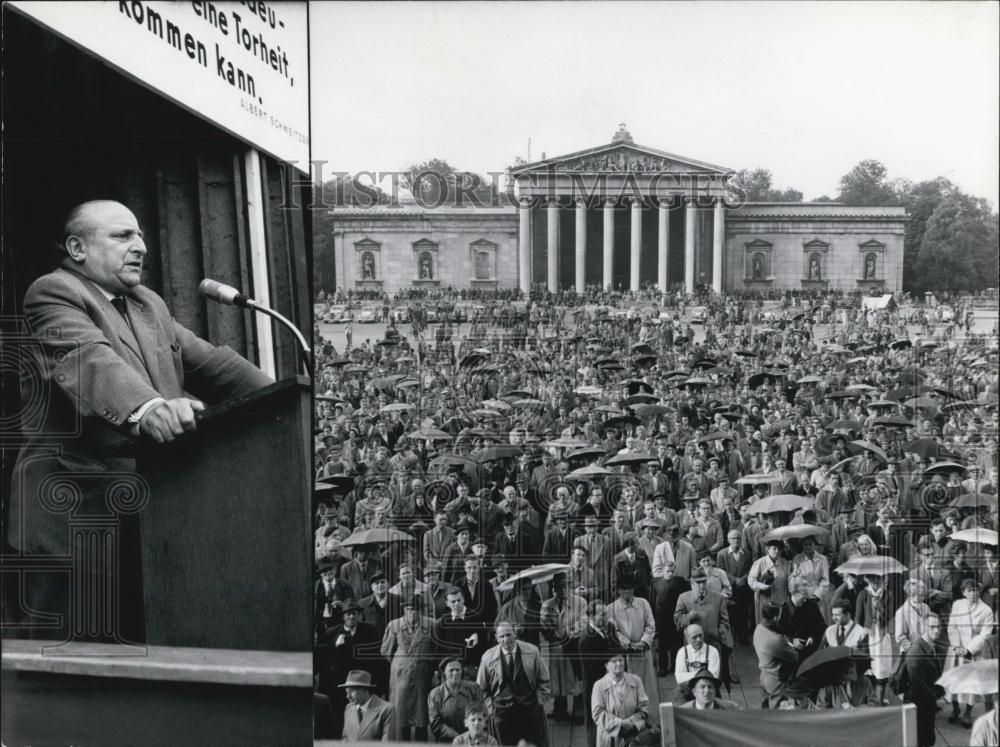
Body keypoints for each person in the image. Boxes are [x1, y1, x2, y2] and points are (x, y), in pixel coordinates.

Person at [10, 200, 273, 642]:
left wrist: (287, 399)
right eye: (123, 236)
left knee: (140, 681)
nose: (142, 247)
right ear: (77, 247)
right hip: (71, 530)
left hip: (149, 528)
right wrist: (149, 409)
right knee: (64, 684)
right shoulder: (52, 293)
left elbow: (216, 368)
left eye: (141, 236)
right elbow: (89, 360)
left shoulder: (147, 304)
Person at [476, 620, 550, 747]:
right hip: (501, 712)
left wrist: (539, 701)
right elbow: (482, 688)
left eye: (509, 635)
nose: (506, 639)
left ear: (515, 633)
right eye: (502, 636)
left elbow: (544, 680)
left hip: (529, 710)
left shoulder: (532, 652)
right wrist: (491, 708)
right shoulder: (488, 658)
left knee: (533, 744)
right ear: (496, 638)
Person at [380, 596, 435, 741]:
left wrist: (422, 664)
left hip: (422, 676)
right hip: (401, 675)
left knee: (421, 715)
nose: (413, 613)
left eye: (416, 609)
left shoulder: (431, 625)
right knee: (400, 713)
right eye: (410, 609)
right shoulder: (394, 626)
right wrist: (401, 663)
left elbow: (436, 650)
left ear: (421, 610)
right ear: (404, 609)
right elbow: (386, 651)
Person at [944, 579, 995, 727]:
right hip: (956, 649)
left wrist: (968, 649)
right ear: (963, 592)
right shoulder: (957, 605)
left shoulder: (986, 610)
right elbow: (952, 626)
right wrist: (957, 645)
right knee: (954, 683)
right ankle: (955, 710)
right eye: (969, 590)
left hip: (974, 651)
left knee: (972, 685)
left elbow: (985, 634)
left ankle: (967, 713)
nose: (973, 593)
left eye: (975, 590)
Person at [607, 577, 659, 706]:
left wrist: (643, 642)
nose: (627, 592)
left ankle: (647, 714)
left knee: (646, 684)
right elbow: (614, 631)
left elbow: (650, 625)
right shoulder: (611, 608)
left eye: (629, 589)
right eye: (623, 590)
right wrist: (629, 644)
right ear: (618, 591)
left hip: (643, 651)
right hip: (626, 653)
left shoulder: (643, 603)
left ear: (633, 589)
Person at [902, 614, 947, 747]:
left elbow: (934, 676)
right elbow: (918, 685)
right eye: (932, 627)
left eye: (938, 627)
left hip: (926, 703)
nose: (936, 630)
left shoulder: (931, 646)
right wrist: (936, 700)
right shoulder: (916, 651)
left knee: (928, 738)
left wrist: (941, 693)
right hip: (917, 704)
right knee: (921, 740)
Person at [590, 653, 650, 747]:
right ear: (606, 665)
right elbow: (597, 714)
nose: (619, 663)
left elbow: (645, 707)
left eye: (621, 660)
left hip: (634, 736)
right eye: (614, 661)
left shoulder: (636, 680)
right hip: (609, 739)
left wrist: (632, 721)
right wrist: (620, 723)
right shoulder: (599, 686)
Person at [427, 657, 485, 744]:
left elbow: (482, 714)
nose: (455, 673)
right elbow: (435, 724)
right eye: (451, 670)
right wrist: (457, 737)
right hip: (446, 742)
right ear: (444, 673)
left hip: (472, 740)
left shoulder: (474, 689)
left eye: (458, 670)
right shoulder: (435, 694)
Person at [754, 601, 799, 709]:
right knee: (777, 712)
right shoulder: (776, 639)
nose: (781, 617)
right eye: (780, 614)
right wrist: (792, 645)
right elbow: (795, 656)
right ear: (775, 618)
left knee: (765, 709)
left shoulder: (759, 628)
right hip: (777, 681)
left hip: (764, 676)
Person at [649, 560, 690, 676]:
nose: (670, 574)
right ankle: (662, 667)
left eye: (672, 571)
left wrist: (684, 615)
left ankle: (675, 666)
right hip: (661, 618)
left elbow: (686, 598)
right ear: (662, 571)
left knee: (676, 643)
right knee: (662, 644)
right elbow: (652, 600)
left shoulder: (680, 581)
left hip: (676, 617)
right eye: (668, 571)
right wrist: (653, 617)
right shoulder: (655, 582)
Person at [339, 669, 396, 742]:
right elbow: (345, 739)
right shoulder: (349, 708)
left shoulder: (387, 710)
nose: (348, 696)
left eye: (352, 691)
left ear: (365, 689)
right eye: (346, 692)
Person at [749, 538, 791, 624]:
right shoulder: (760, 562)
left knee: (780, 622)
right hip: (765, 599)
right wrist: (763, 586)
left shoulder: (784, 563)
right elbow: (751, 581)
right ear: (768, 549)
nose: (777, 551)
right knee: (766, 623)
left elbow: (789, 579)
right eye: (774, 548)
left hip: (781, 598)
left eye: (779, 549)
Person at [815, 657, 879, 709]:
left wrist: (856, 710)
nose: (851, 669)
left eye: (852, 664)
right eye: (846, 666)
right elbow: (821, 711)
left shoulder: (865, 681)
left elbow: (874, 704)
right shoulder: (827, 685)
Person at [674, 624, 721, 691]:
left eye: (700, 635)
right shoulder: (682, 652)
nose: (698, 639)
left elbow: (713, 677)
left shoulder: (713, 651)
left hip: (707, 690)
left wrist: (688, 675)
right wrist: (704, 674)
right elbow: (679, 678)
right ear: (688, 639)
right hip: (687, 690)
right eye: (694, 637)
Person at [677, 668, 742, 710]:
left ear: (715, 691)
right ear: (694, 692)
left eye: (710, 687)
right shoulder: (683, 712)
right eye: (702, 687)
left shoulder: (731, 708)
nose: (707, 691)